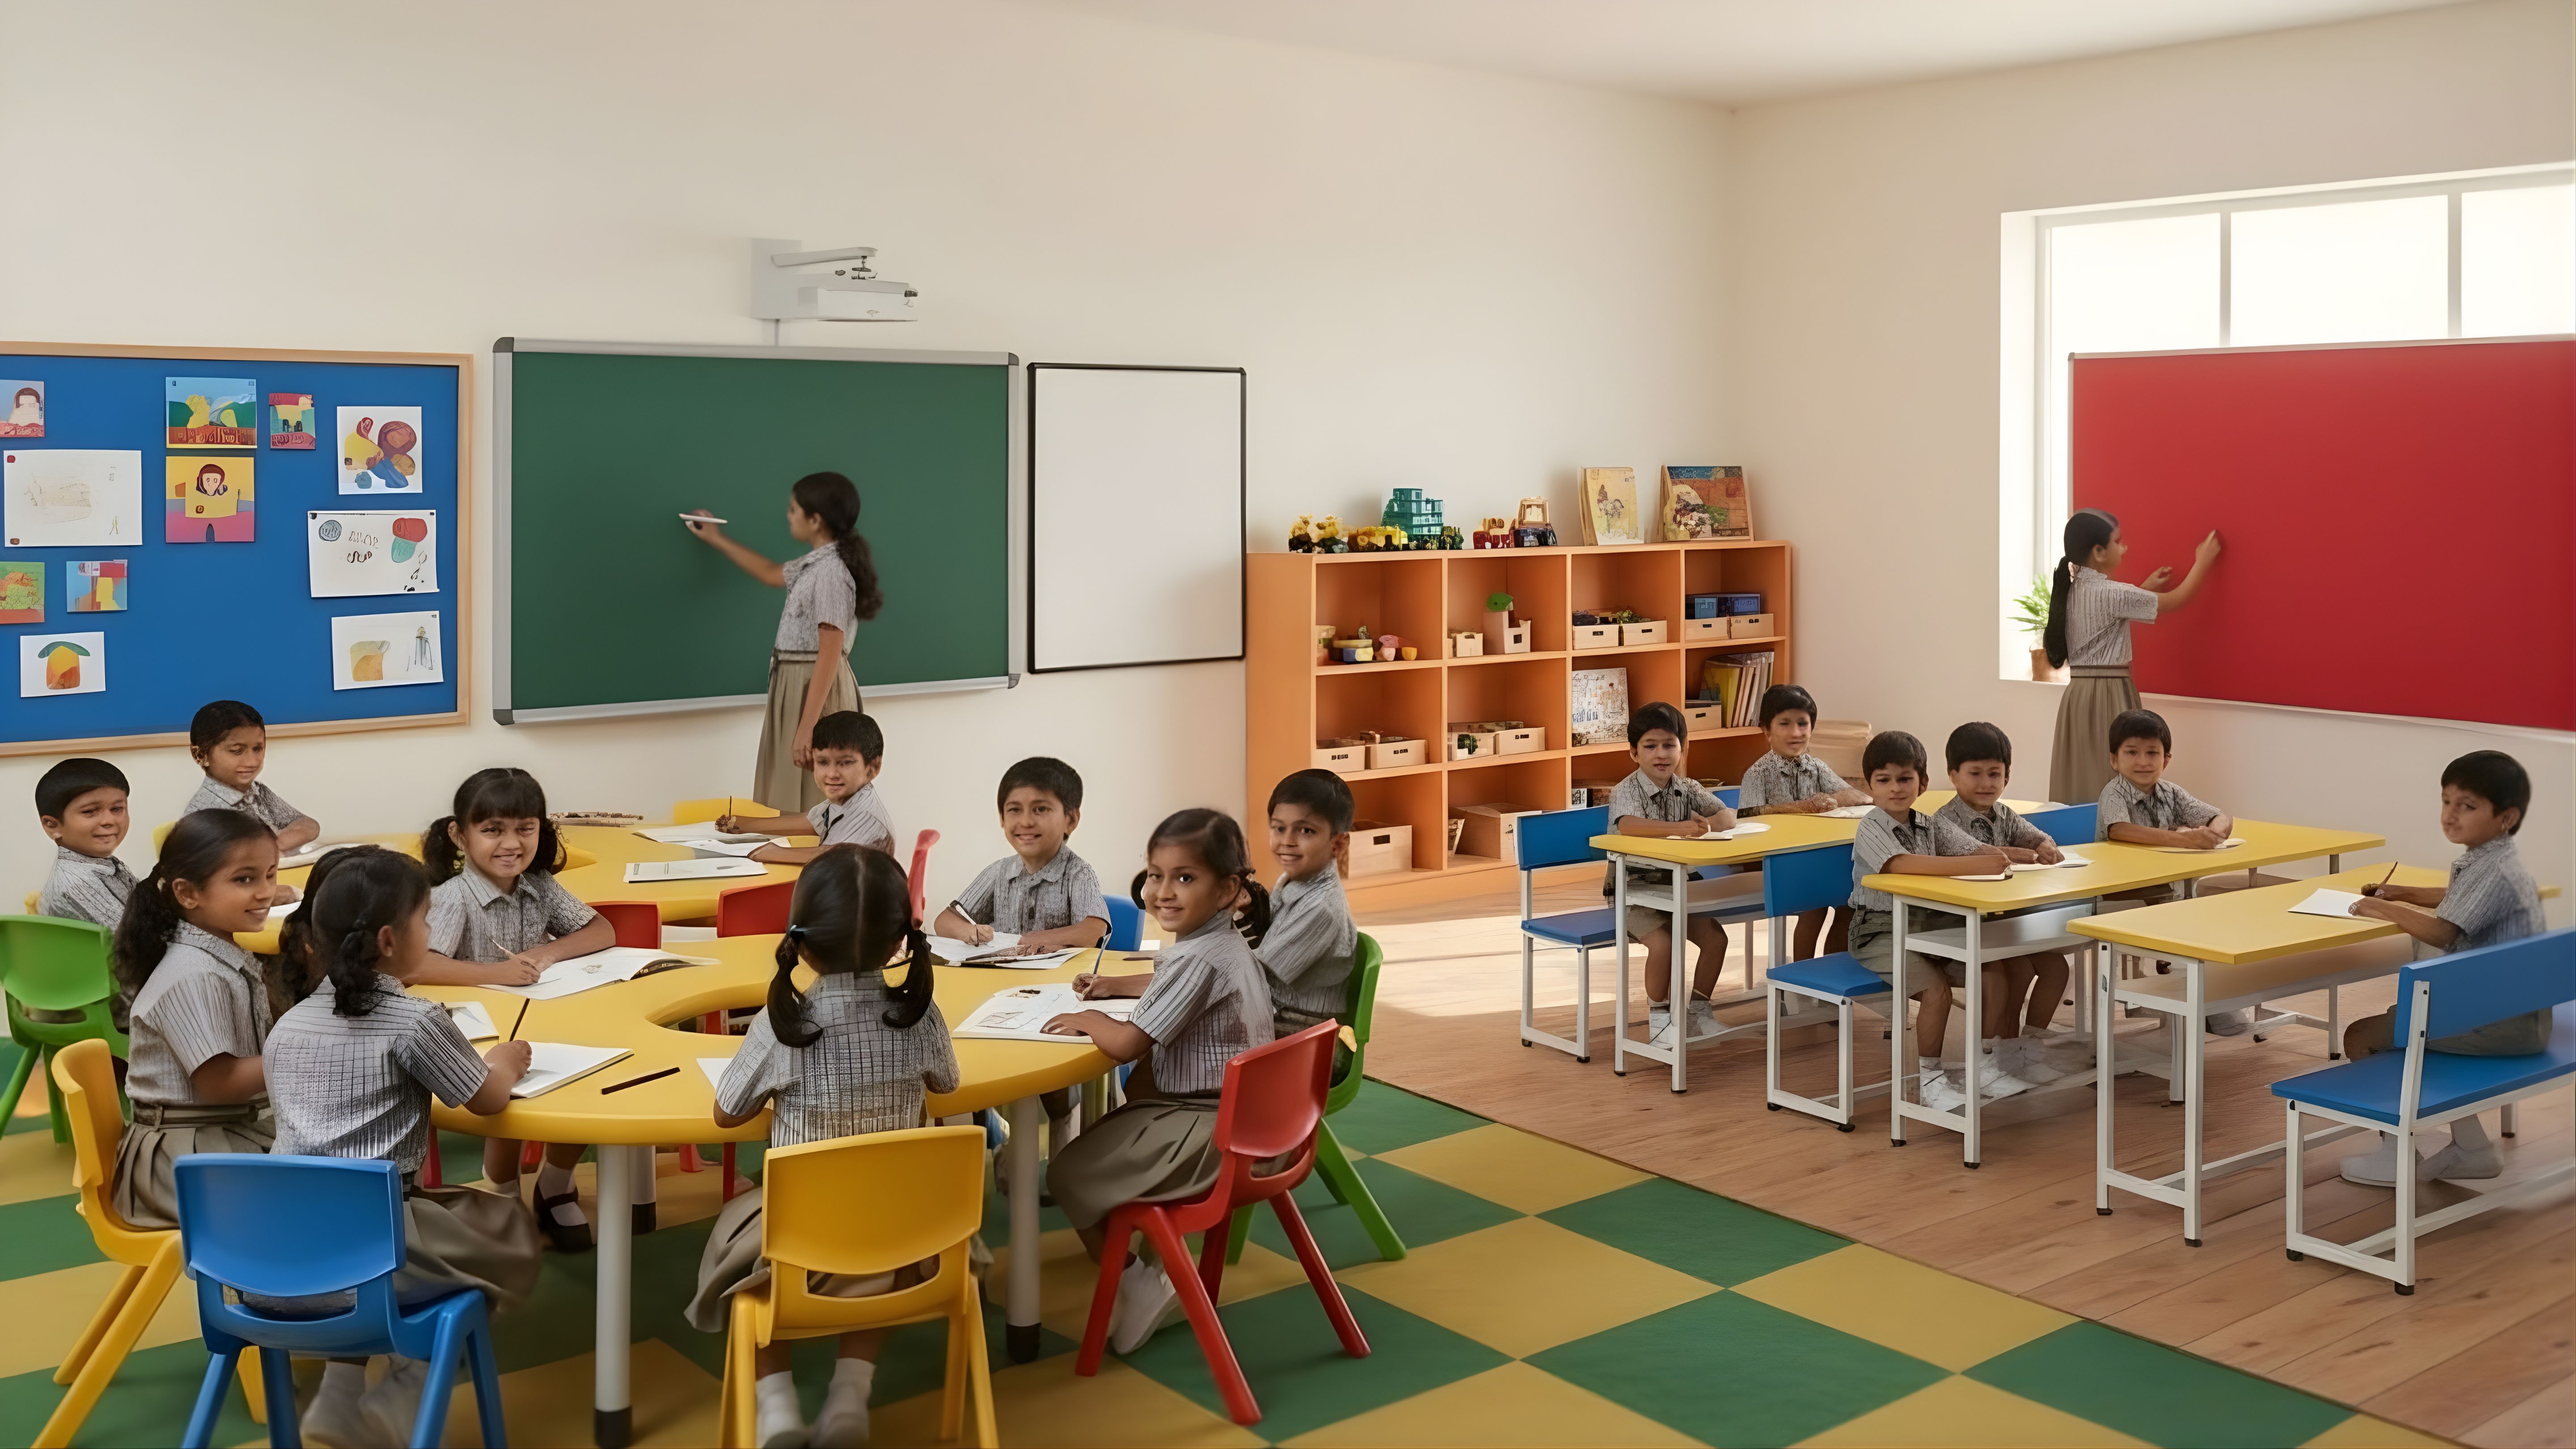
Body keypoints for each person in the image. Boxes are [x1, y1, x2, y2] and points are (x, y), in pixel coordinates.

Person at [264, 846, 542, 1446]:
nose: (432, 931)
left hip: (274, 1258)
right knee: (508, 1230)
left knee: (378, 1220)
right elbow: (488, 1100)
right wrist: (506, 1062)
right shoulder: (416, 1022)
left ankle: (337, 1400)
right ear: (390, 940)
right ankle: (407, 1383)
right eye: (426, 920)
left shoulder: (288, 1023)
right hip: (377, 1249)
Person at [688, 846, 959, 1449]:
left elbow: (726, 1114)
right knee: (872, 1251)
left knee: (749, 1255)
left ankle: (778, 1408)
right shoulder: (920, 1014)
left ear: (800, 943)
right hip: (907, 1238)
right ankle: (848, 1400)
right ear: (898, 943)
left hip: (799, 1249)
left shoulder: (784, 1023)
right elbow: (948, 1084)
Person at [1040, 809, 1274, 1356]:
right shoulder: (1218, 944)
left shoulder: (1199, 959)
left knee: (1069, 1173)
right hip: (1247, 1122)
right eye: (1155, 874)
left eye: (1185, 878)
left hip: (1214, 1132)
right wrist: (1113, 985)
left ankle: (1141, 1281)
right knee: (1131, 1101)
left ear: (1229, 890)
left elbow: (1125, 1045)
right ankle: (1139, 1249)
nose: (1163, 891)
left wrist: (1092, 1019)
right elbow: (1169, 977)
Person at [421, 767, 617, 1250]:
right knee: (509, 1094)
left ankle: (555, 1183)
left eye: (524, 829)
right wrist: (496, 973)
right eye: (493, 830)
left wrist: (545, 953)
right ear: (459, 836)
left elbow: (601, 931)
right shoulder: (451, 898)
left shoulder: (540, 886)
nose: (511, 843)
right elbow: (420, 965)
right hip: (478, 1033)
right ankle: (503, 1191)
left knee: (585, 1079)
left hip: (542, 1015)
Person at [2336, 750, 2548, 1186]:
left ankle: (2397, 1158)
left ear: (2506, 817)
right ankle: (2472, 1149)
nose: (2450, 816)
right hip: (2518, 1014)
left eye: (2466, 806)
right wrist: (2405, 895)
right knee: (2406, 1024)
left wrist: (2380, 907)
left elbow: (2446, 933)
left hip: (2498, 1025)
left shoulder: (2493, 872)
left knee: (2364, 1037)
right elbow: (2457, 895)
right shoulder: (2495, 860)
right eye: (2447, 801)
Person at [932, 755, 1110, 1179]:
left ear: (1071, 819)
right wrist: (967, 932)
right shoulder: (999, 872)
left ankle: (1061, 1142)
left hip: (1057, 1001)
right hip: (995, 997)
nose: (1025, 822)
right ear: (1001, 818)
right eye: (1015, 810)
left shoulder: (1077, 873)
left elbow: (1094, 928)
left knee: (1049, 1081)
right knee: (966, 1055)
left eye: (1041, 809)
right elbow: (945, 919)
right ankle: (993, 1136)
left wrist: (1040, 939)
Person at [106, 811, 284, 1229]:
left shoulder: (217, 957)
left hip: (215, 1135)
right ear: (188, 893)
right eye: (245, 879)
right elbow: (220, 1084)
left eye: (270, 875)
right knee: (345, 1194)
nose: (265, 893)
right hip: (184, 1160)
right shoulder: (196, 973)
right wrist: (305, 1049)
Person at [1847, 730, 2033, 1113]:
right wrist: (1979, 863)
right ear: (1870, 786)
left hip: (1927, 928)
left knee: (1994, 970)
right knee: (1937, 992)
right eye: (1884, 781)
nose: (1895, 789)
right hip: (1880, 932)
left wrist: (2005, 855)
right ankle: (1929, 1080)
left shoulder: (1929, 824)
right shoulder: (1872, 825)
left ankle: (1987, 1067)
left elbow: (1978, 849)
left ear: (1923, 783)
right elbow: (1901, 865)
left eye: (1905, 779)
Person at [682, 471, 887, 811]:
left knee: (814, 796)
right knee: (790, 793)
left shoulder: (832, 572)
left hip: (815, 686)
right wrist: (716, 539)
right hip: (797, 683)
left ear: (815, 519)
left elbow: (831, 650)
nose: (789, 516)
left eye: (794, 510)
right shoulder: (816, 563)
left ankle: (816, 862)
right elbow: (770, 572)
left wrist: (808, 727)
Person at [2042, 508, 2221, 806]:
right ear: (2099, 552)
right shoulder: (2114, 594)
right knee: (2112, 778)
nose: (2124, 548)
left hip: (2079, 694)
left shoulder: (2075, 590)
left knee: (2085, 778)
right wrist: (2203, 562)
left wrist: (2144, 590)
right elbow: (2178, 600)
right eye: (2118, 542)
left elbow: (2105, 620)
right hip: (2108, 692)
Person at [1936, 722, 2081, 1081]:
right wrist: (2024, 853)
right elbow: (1982, 854)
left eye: (1995, 774)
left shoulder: (2004, 814)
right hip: (1960, 928)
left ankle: (2024, 1051)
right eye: (1975, 774)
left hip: (2005, 924)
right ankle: (1993, 1055)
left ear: (2007, 777)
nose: (1986, 783)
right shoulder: (1943, 821)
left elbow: (2038, 838)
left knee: (2057, 969)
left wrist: (2045, 846)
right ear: (1953, 774)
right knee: (2014, 970)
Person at [2096, 708, 2248, 1035]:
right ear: (2114, 759)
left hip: (2166, 892)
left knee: (2211, 920)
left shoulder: (2171, 793)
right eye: (2132, 753)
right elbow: (2120, 830)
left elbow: (2220, 816)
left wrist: (2216, 832)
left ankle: (2212, 1000)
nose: (2143, 761)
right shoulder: (2115, 793)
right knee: (2188, 927)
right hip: (2122, 894)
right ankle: (2200, 1004)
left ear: (2166, 759)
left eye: (2153, 753)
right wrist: (2184, 840)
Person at [1605, 701, 1740, 1048]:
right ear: (1634, 752)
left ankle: (1697, 1015)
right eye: (1650, 746)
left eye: (1670, 745)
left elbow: (1728, 817)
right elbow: (1630, 827)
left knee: (1716, 940)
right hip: (1633, 888)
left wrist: (1707, 823)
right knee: (1664, 946)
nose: (1661, 754)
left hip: (1679, 885)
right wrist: (1681, 828)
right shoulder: (1625, 791)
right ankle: (1660, 1022)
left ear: (1683, 748)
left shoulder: (1688, 787)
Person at [1734, 684, 1868, 959]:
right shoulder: (1758, 774)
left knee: (1849, 904)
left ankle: (1832, 971)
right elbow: (1746, 817)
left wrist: (1840, 799)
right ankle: (1800, 976)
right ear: (1767, 730)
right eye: (1785, 724)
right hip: (1778, 861)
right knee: (1815, 907)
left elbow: (1855, 796)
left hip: (1817, 856)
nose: (1796, 733)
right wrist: (1803, 807)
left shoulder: (1816, 767)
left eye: (1803, 724)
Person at [1257, 768, 1359, 1041]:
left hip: (1305, 1037)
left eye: (1306, 831)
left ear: (1339, 843)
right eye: (1279, 828)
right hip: (1279, 1017)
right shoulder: (1291, 881)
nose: (1287, 841)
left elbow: (1257, 975)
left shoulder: (1321, 909)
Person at [720, 710, 896, 861]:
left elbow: (831, 858)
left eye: (846, 763)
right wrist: (742, 825)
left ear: (873, 767)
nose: (832, 774)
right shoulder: (846, 799)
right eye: (823, 762)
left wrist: (774, 853)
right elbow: (812, 823)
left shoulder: (866, 817)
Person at [182, 699, 321, 858]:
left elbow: (309, 825)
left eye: (258, 749)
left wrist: (275, 845)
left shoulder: (258, 791)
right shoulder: (201, 814)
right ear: (200, 755)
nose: (252, 762)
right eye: (237, 751)